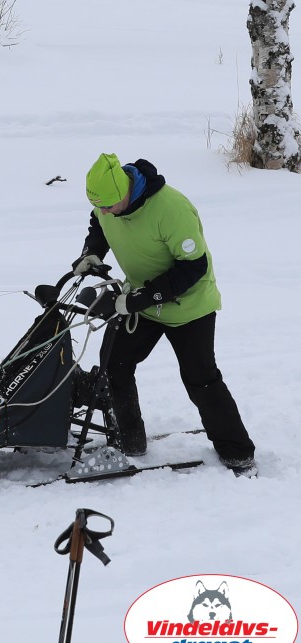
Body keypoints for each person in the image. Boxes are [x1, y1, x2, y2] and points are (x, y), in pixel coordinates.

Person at [73, 153, 257, 477]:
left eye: (108, 206)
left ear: (126, 192)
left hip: (190, 308)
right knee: (114, 364)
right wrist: (91, 253)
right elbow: (98, 224)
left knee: (200, 380)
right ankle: (130, 440)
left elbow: (193, 268)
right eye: (99, 205)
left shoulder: (171, 209)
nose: (103, 212)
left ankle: (237, 452)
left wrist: (139, 299)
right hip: (142, 303)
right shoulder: (107, 203)